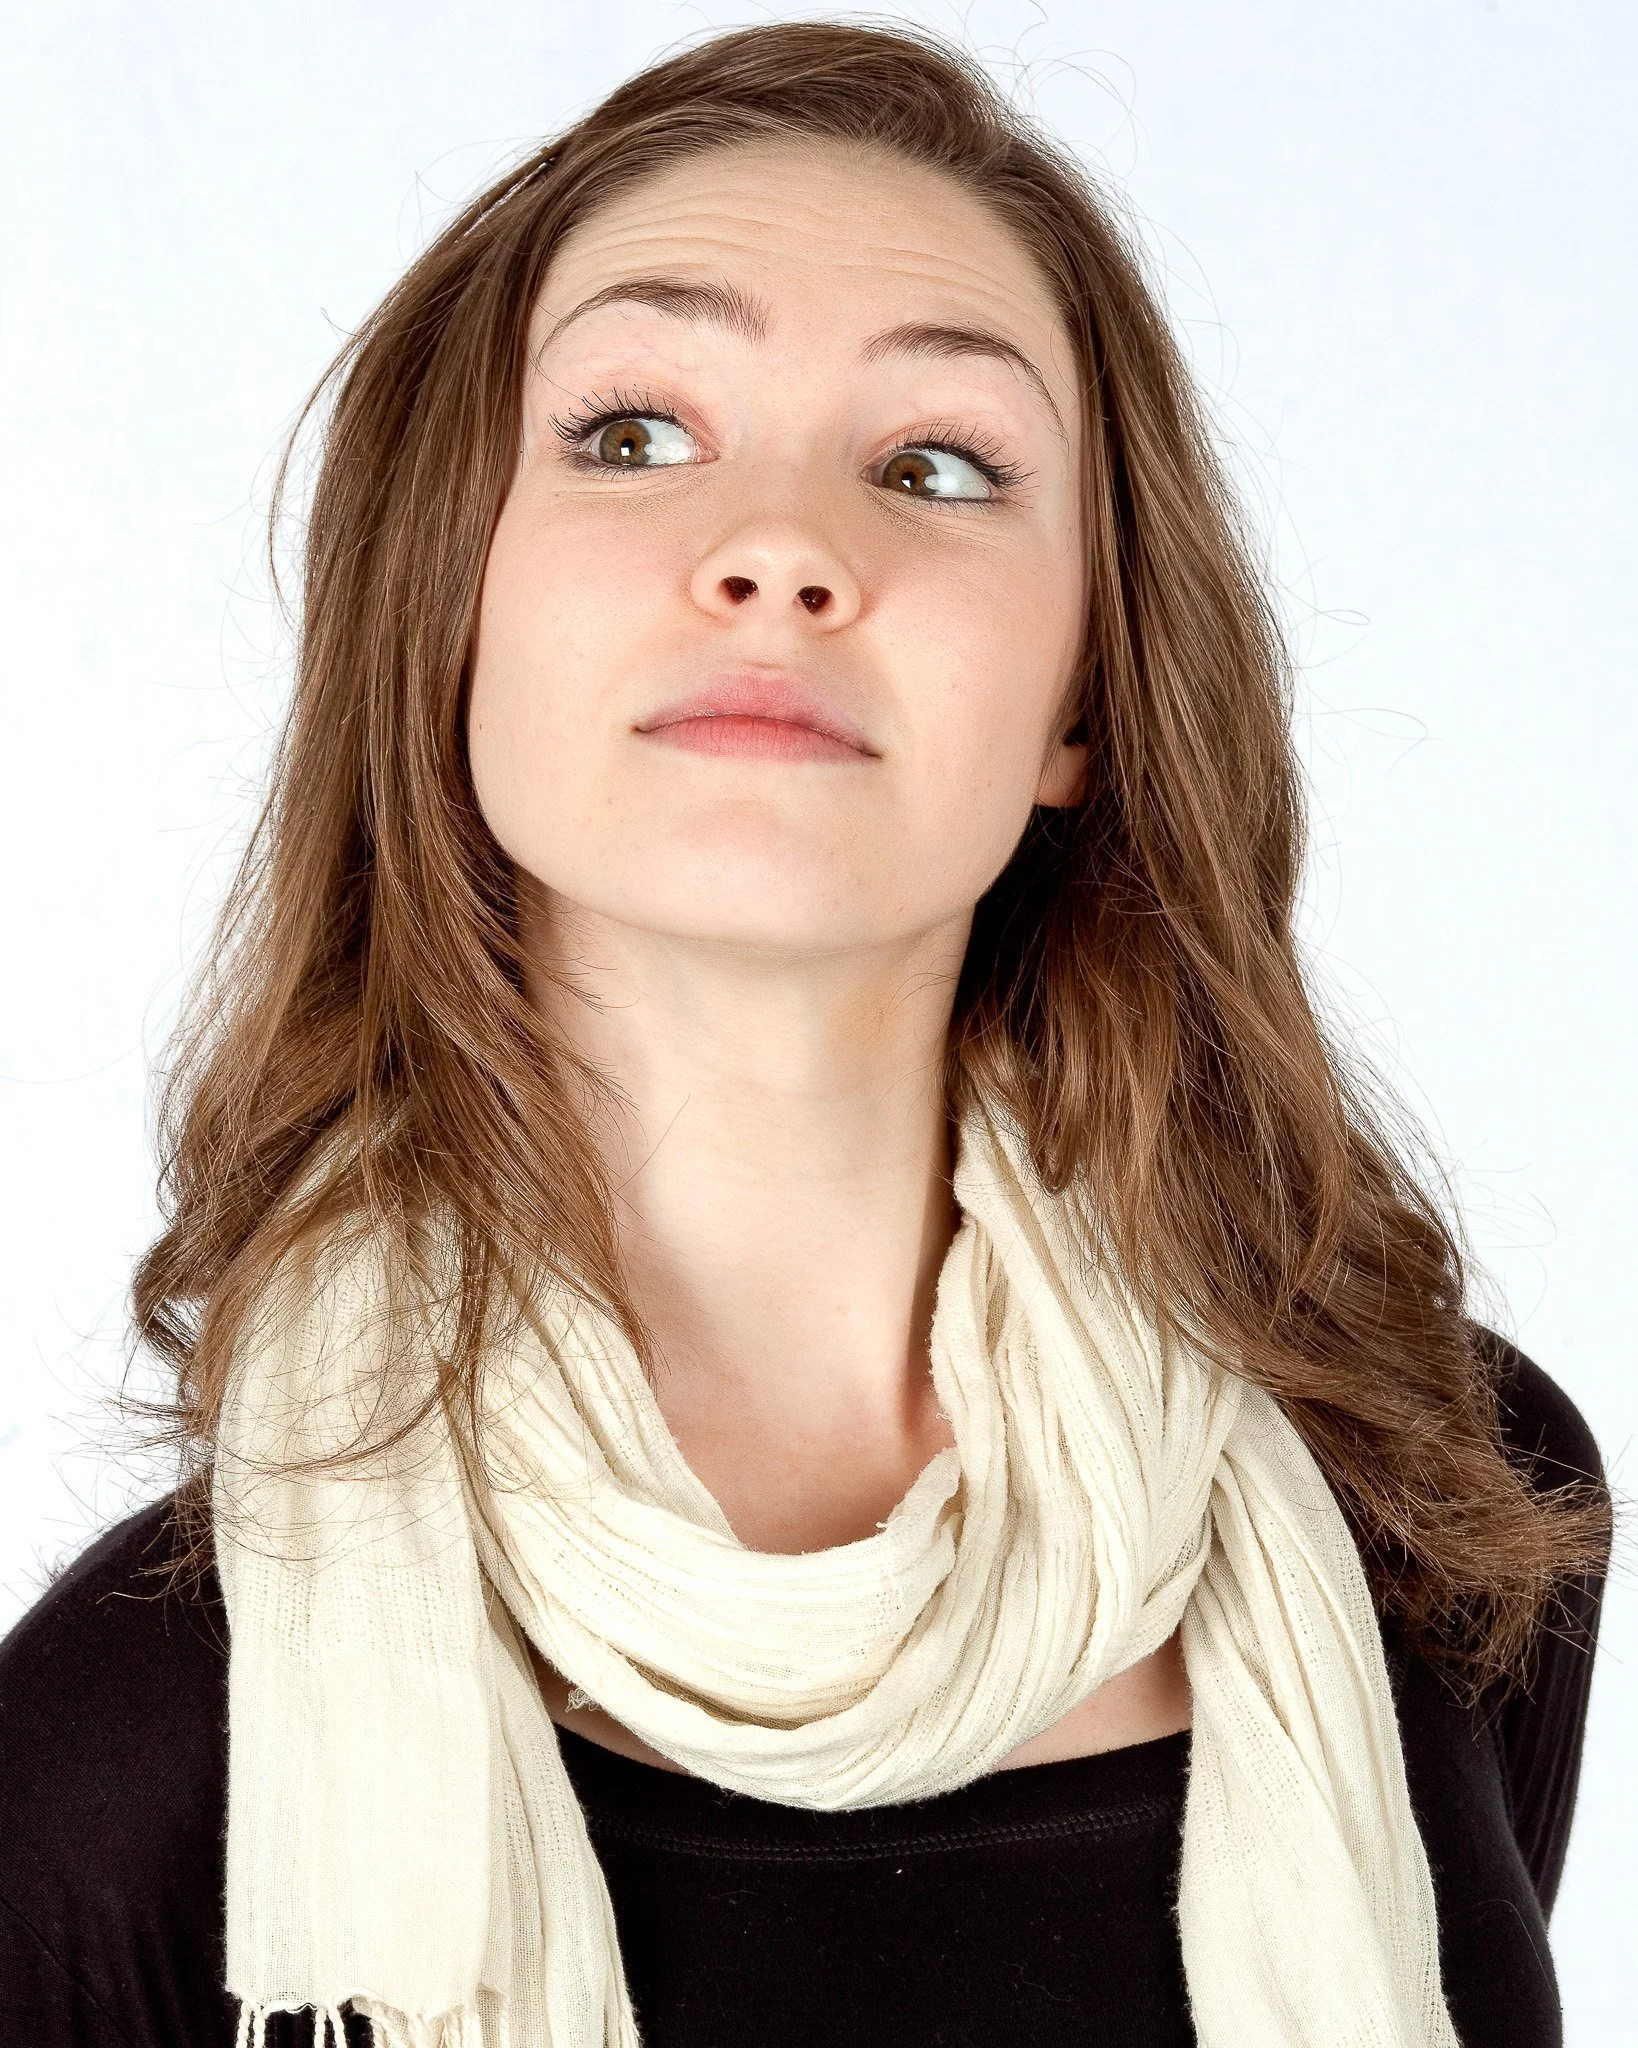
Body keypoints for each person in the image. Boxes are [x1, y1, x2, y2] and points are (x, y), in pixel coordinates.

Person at [0, 21, 1614, 2048]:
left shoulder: (1452, 1508)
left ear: (1083, 698)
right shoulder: (131, 1763)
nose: (777, 549)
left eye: (935, 465)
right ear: (448, 615)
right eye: (630, 434)